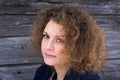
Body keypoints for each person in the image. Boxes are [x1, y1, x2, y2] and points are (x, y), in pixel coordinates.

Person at [30, 5, 107, 80]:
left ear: (78, 45)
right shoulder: (43, 72)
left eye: (59, 40)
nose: (48, 46)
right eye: (46, 36)